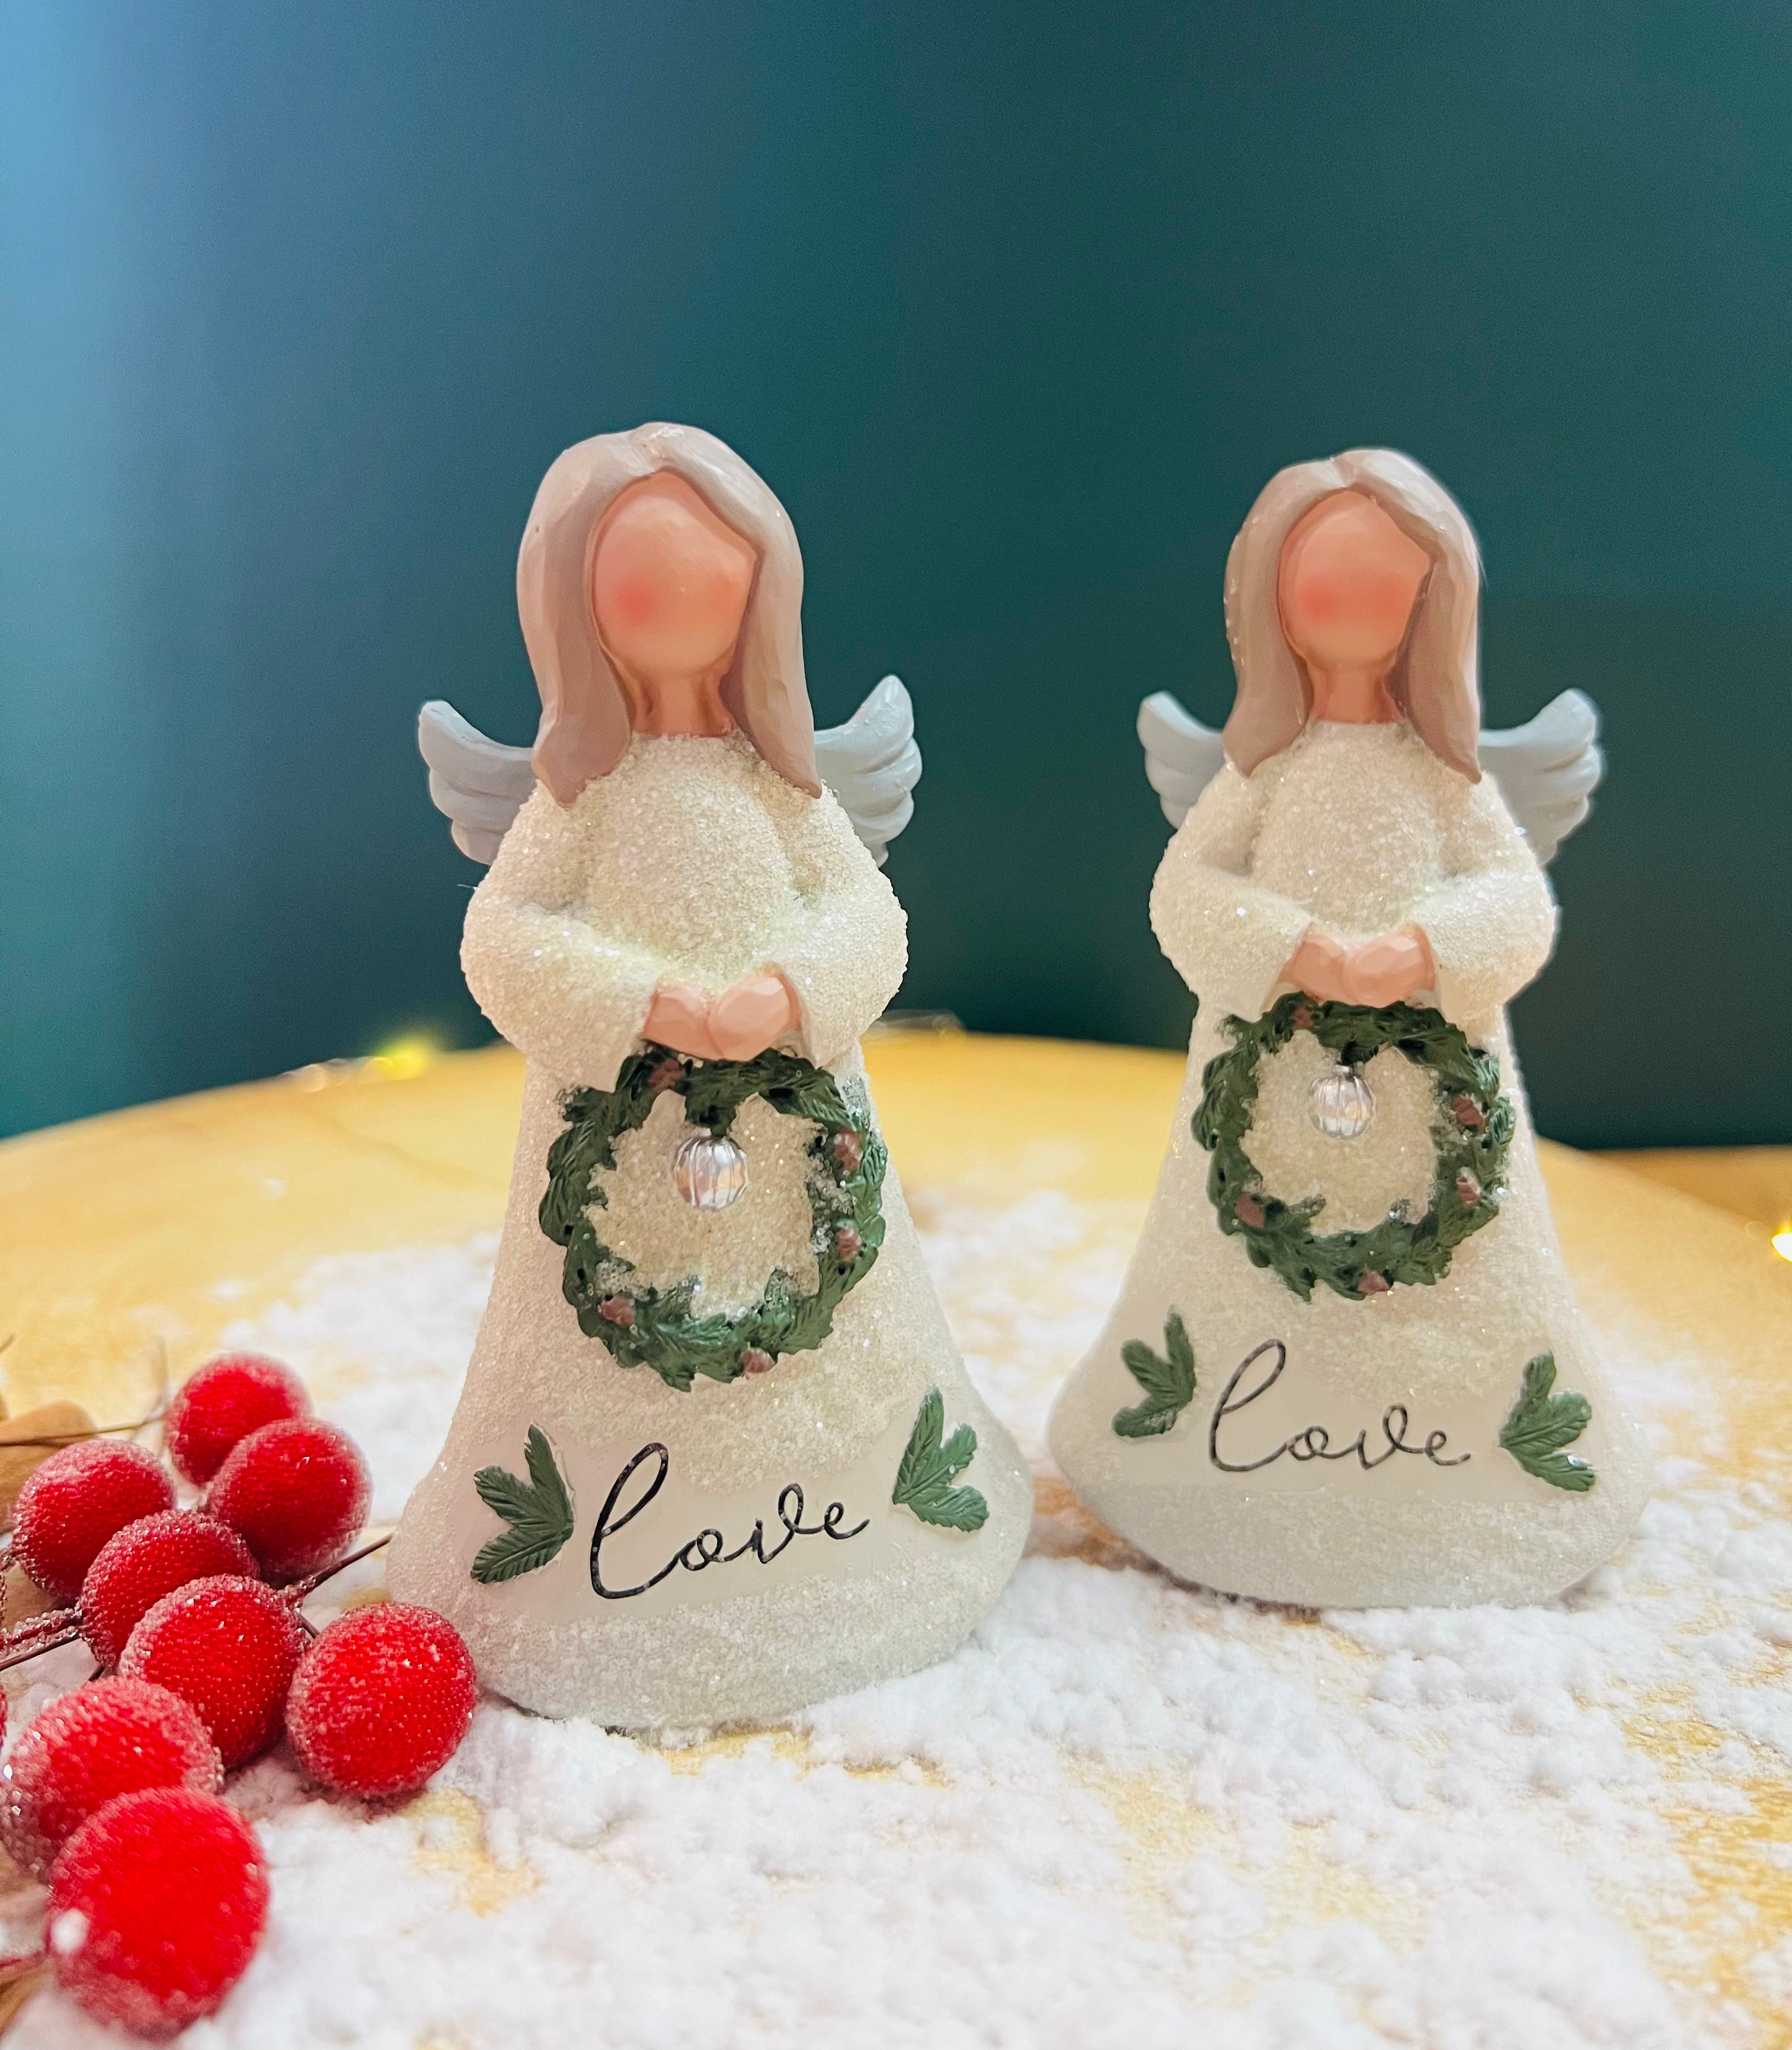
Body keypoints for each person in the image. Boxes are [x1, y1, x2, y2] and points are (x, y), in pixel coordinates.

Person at [389, 424, 1028, 1726]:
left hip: (800, 1156)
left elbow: (868, 921)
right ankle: (604, 1561)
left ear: (760, 589)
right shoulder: (579, 799)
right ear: (574, 604)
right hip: (619, 1173)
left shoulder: (785, 791)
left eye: (715, 573)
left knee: (822, 1316)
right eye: (642, 579)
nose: (685, 604)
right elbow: (505, 939)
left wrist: (787, 992)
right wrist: (645, 1001)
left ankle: (860, 1508)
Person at [1049, 449, 1651, 1607]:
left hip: (1438, 1111)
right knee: (1255, 1253)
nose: (1356, 608)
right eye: (1326, 582)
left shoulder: (1447, 776)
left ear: (1434, 604)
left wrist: (1423, 953)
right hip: (1271, 1104)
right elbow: (1188, 891)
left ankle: (1469, 1457)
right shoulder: (1265, 772)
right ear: (1275, 597)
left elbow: (1515, 902)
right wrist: (1292, 946)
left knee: (1444, 1274)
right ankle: (1220, 1445)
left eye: (1390, 585)